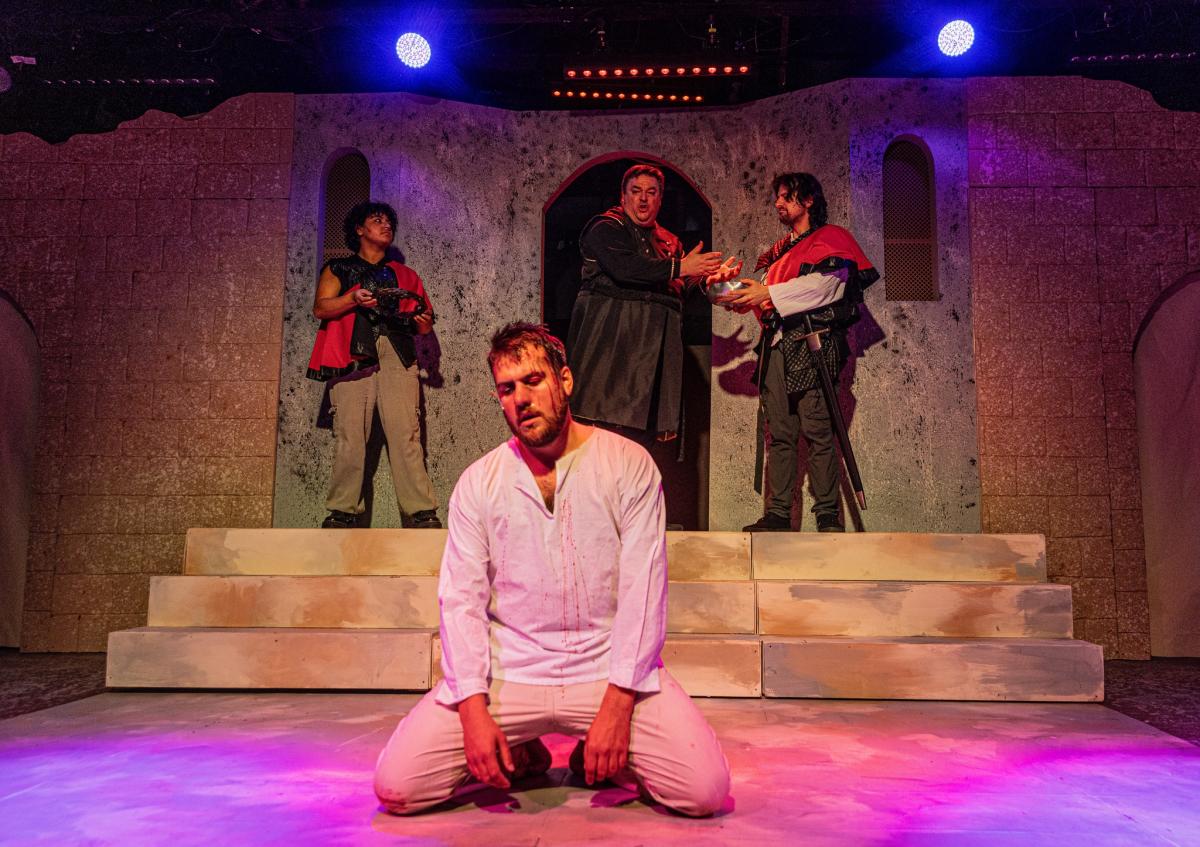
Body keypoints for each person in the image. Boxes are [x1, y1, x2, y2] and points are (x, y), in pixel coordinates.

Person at [374, 322, 731, 817]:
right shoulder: (480, 482)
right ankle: (524, 751)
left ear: (564, 380)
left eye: (533, 381)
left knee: (703, 792)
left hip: (607, 670)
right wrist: (474, 710)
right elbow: (460, 600)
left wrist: (616, 707)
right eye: (506, 388)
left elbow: (643, 592)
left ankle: (597, 752)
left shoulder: (628, 464)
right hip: (510, 672)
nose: (520, 398)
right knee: (398, 788)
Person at [716, 173, 878, 533]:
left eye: (787, 196)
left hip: (812, 342)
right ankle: (777, 514)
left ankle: (827, 516)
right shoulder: (778, 256)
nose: (779, 203)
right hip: (777, 346)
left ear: (808, 201)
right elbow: (767, 302)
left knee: (818, 430)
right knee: (781, 433)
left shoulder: (830, 239)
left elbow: (826, 287)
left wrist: (768, 294)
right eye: (778, 197)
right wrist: (733, 293)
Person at [566, 164, 736, 447]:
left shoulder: (670, 242)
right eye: (636, 191)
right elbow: (627, 268)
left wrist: (717, 283)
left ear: (660, 199)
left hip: (651, 362)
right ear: (623, 197)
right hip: (612, 358)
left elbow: (685, 288)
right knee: (604, 446)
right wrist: (681, 266)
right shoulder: (605, 227)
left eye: (651, 192)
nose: (643, 199)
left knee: (641, 450)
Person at [305, 201, 441, 529]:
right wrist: (352, 298)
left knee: (405, 433)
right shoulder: (337, 268)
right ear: (359, 229)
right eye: (376, 220)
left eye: (388, 222)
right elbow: (321, 308)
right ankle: (343, 512)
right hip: (351, 354)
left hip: (396, 351)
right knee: (350, 434)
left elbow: (423, 324)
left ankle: (421, 512)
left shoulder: (406, 275)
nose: (385, 225)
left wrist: (422, 321)